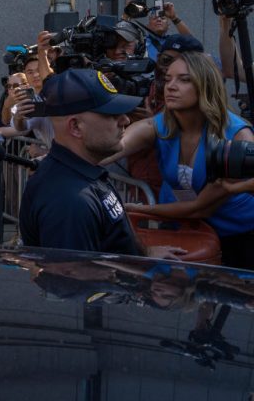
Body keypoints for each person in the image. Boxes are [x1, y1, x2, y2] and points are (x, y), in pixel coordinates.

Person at [19, 69, 185, 259]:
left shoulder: (84, 171)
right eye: (111, 115)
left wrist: (145, 254)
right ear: (75, 127)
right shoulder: (69, 202)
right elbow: (77, 283)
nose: (125, 119)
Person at [109, 51, 254, 269]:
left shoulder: (236, 137)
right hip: (182, 230)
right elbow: (112, 147)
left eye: (184, 80)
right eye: (168, 79)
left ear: (205, 85)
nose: (171, 86)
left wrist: (134, 209)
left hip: (237, 237)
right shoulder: (159, 126)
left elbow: (200, 208)